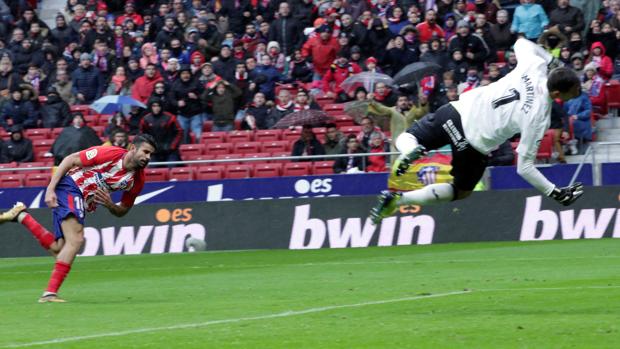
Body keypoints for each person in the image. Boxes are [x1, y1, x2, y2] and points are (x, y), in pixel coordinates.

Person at [370, 39, 585, 224]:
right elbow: (525, 168)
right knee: (460, 191)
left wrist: (550, 60)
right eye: (573, 94)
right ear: (557, 93)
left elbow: (520, 42)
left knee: (408, 136)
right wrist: (555, 192)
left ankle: (410, 150)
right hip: (472, 144)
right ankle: (400, 199)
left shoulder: (534, 65)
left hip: (455, 112)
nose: (576, 95)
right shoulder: (539, 117)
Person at [0, 134, 156, 303]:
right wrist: (50, 189)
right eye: (146, 152)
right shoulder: (109, 154)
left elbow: (123, 211)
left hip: (81, 200)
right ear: (133, 148)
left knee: (59, 249)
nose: (148, 157)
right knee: (76, 240)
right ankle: (49, 294)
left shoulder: (138, 180)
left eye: (150, 155)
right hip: (70, 186)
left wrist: (110, 205)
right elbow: (70, 159)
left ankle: (21, 216)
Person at [139, 98, 182, 164]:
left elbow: (179, 132)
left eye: (158, 106)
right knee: (152, 171)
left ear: (161, 106)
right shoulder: (145, 119)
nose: (156, 108)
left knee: (172, 168)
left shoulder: (170, 118)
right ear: (151, 107)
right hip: (154, 152)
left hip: (170, 151)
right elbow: (142, 135)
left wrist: (172, 146)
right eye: (154, 106)